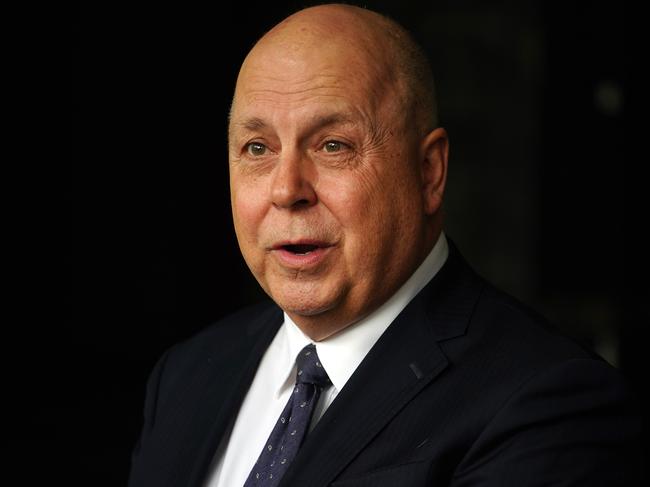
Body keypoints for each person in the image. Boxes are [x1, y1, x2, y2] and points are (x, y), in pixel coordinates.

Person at [128, 4, 642, 486]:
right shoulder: (187, 374)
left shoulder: (548, 405)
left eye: (333, 145)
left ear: (429, 172)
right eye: (257, 148)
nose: (286, 190)